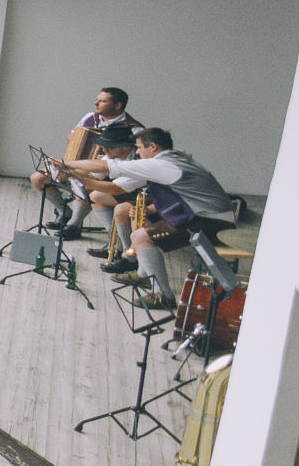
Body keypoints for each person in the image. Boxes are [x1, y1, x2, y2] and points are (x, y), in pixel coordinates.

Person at [62, 128, 235, 308]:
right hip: (202, 212)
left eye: (138, 147)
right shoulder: (173, 158)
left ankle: (163, 296)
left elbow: (106, 167)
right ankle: (144, 273)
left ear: (152, 146)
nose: (137, 152)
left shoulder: (162, 165)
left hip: (211, 219)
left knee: (141, 236)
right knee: (137, 219)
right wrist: (150, 209)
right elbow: (183, 194)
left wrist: (67, 165)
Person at [30, 86, 142, 238]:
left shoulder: (133, 129)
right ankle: (65, 212)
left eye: (102, 101)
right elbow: (71, 136)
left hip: (109, 175)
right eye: (97, 100)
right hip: (79, 165)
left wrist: (101, 155)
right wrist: (81, 143)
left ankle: (73, 226)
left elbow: (131, 157)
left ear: (118, 105)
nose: (96, 103)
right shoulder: (91, 117)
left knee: (84, 185)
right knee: (38, 177)